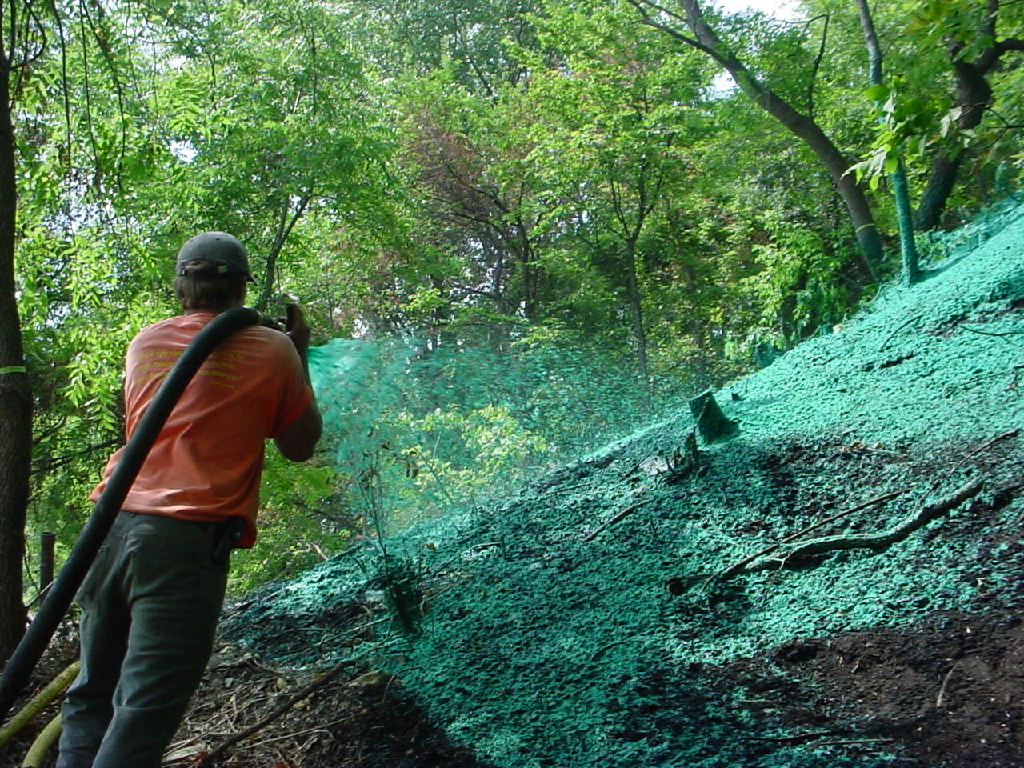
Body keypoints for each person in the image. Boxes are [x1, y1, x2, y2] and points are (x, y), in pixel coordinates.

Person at [57, 231, 322, 768]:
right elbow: (299, 446)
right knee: (142, 711)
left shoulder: (144, 342)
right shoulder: (274, 350)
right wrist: (298, 354)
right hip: (183, 542)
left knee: (91, 695)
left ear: (181, 288)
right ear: (242, 289)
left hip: (109, 528)